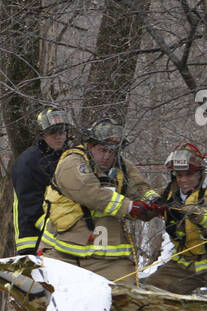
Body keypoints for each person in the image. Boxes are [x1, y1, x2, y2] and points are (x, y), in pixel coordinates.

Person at [39, 117, 163, 285]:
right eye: (102, 149)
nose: (107, 156)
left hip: (109, 259)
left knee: (126, 301)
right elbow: (91, 193)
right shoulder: (72, 163)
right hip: (65, 254)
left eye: (112, 151)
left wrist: (153, 202)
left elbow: (139, 187)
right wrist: (130, 207)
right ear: (90, 146)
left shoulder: (122, 167)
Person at [146, 143, 207, 293]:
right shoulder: (169, 193)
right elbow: (144, 198)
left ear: (199, 173)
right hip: (184, 265)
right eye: (179, 175)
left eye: (188, 174)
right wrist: (148, 205)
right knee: (152, 291)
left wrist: (193, 212)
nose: (183, 180)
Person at [10, 106, 71, 254]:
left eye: (62, 131)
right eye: (52, 132)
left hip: (61, 237)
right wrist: (56, 229)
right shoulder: (27, 162)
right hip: (33, 239)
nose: (58, 136)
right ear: (42, 134)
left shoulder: (69, 158)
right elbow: (30, 205)